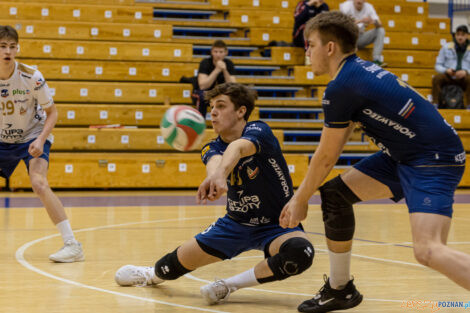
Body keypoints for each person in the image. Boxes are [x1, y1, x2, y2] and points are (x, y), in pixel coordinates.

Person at [278, 11, 470, 313]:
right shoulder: (356, 73)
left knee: (428, 250)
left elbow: (327, 156)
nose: (307, 51)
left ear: (330, 48)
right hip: (406, 155)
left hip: (433, 160)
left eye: (310, 44)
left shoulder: (342, 85)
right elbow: (333, 149)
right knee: (336, 195)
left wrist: (299, 199)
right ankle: (340, 290)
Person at [115, 83, 314, 305]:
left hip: (277, 223)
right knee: (169, 267)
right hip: (235, 225)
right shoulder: (211, 147)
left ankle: (228, 286)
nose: (213, 112)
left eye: (221, 106)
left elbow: (238, 148)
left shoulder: (260, 131)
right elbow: (215, 160)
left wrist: (220, 174)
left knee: (300, 252)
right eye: (211, 107)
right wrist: (214, 176)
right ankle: (150, 275)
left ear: (241, 111)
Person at [0, 25, 84, 262]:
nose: (7, 51)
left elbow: (52, 113)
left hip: (32, 135)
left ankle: (72, 245)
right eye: (2, 46)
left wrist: (40, 138)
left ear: (17, 48)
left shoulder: (31, 76)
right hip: (2, 138)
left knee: (38, 182)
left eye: (12, 46)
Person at [196, 40, 236, 118]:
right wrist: (217, 70)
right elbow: (203, 86)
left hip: (221, 93)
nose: (218, 55)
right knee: (202, 96)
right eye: (216, 52)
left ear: (226, 52)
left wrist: (224, 70)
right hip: (206, 93)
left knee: (235, 96)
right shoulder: (205, 63)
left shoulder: (229, 64)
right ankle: (200, 123)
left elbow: (233, 86)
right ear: (212, 52)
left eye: (221, 52)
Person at [432, 24, 470, 107]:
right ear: (455, 35)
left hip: (464, 77)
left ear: (467, 36)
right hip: (449, 75)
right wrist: (446, 70)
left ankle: (468, 106)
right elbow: (437, 65)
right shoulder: (446, 47)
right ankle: (435, 104)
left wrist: (466, 72)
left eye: (463, 35)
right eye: (458, 34)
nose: (460, 37)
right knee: (436, 79)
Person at [340, 0, 386, 67]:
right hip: (348, 37)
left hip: (360, 37)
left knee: (380, 30)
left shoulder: (369, 7)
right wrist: (358, 22)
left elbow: (379, 24)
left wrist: (373, 21)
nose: (359, 1)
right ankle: (343, 59)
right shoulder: (346, 6)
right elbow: (340, 24)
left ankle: (377, 60)